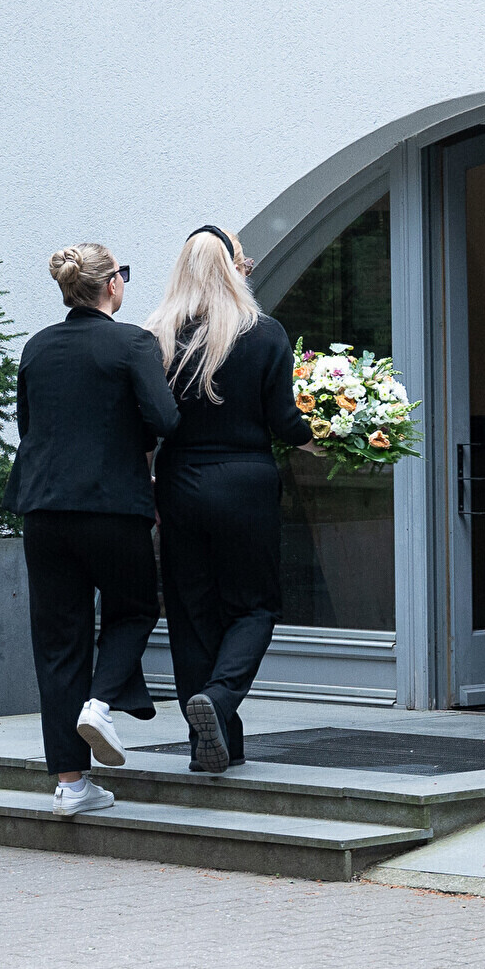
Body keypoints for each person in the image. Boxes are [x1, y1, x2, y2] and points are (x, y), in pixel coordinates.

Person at [8, 243, 178, 819]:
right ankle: (101, 705)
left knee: (59, 643)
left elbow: (29, 426)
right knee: (135, 609)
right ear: (112, 286)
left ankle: (71, 784)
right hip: (112, 506)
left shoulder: (37, 346)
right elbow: (164, 419)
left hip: (44, 510)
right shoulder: (133, 343)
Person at [150, 226, 310, 773]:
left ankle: (212, 747)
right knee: (254, 606)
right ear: (233, 268)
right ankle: (218, 700)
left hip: (179, 483)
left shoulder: (157, 337)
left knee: (192, 613)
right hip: (245, 484)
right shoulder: (263, 333)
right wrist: (323, 437)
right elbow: (285, 421)